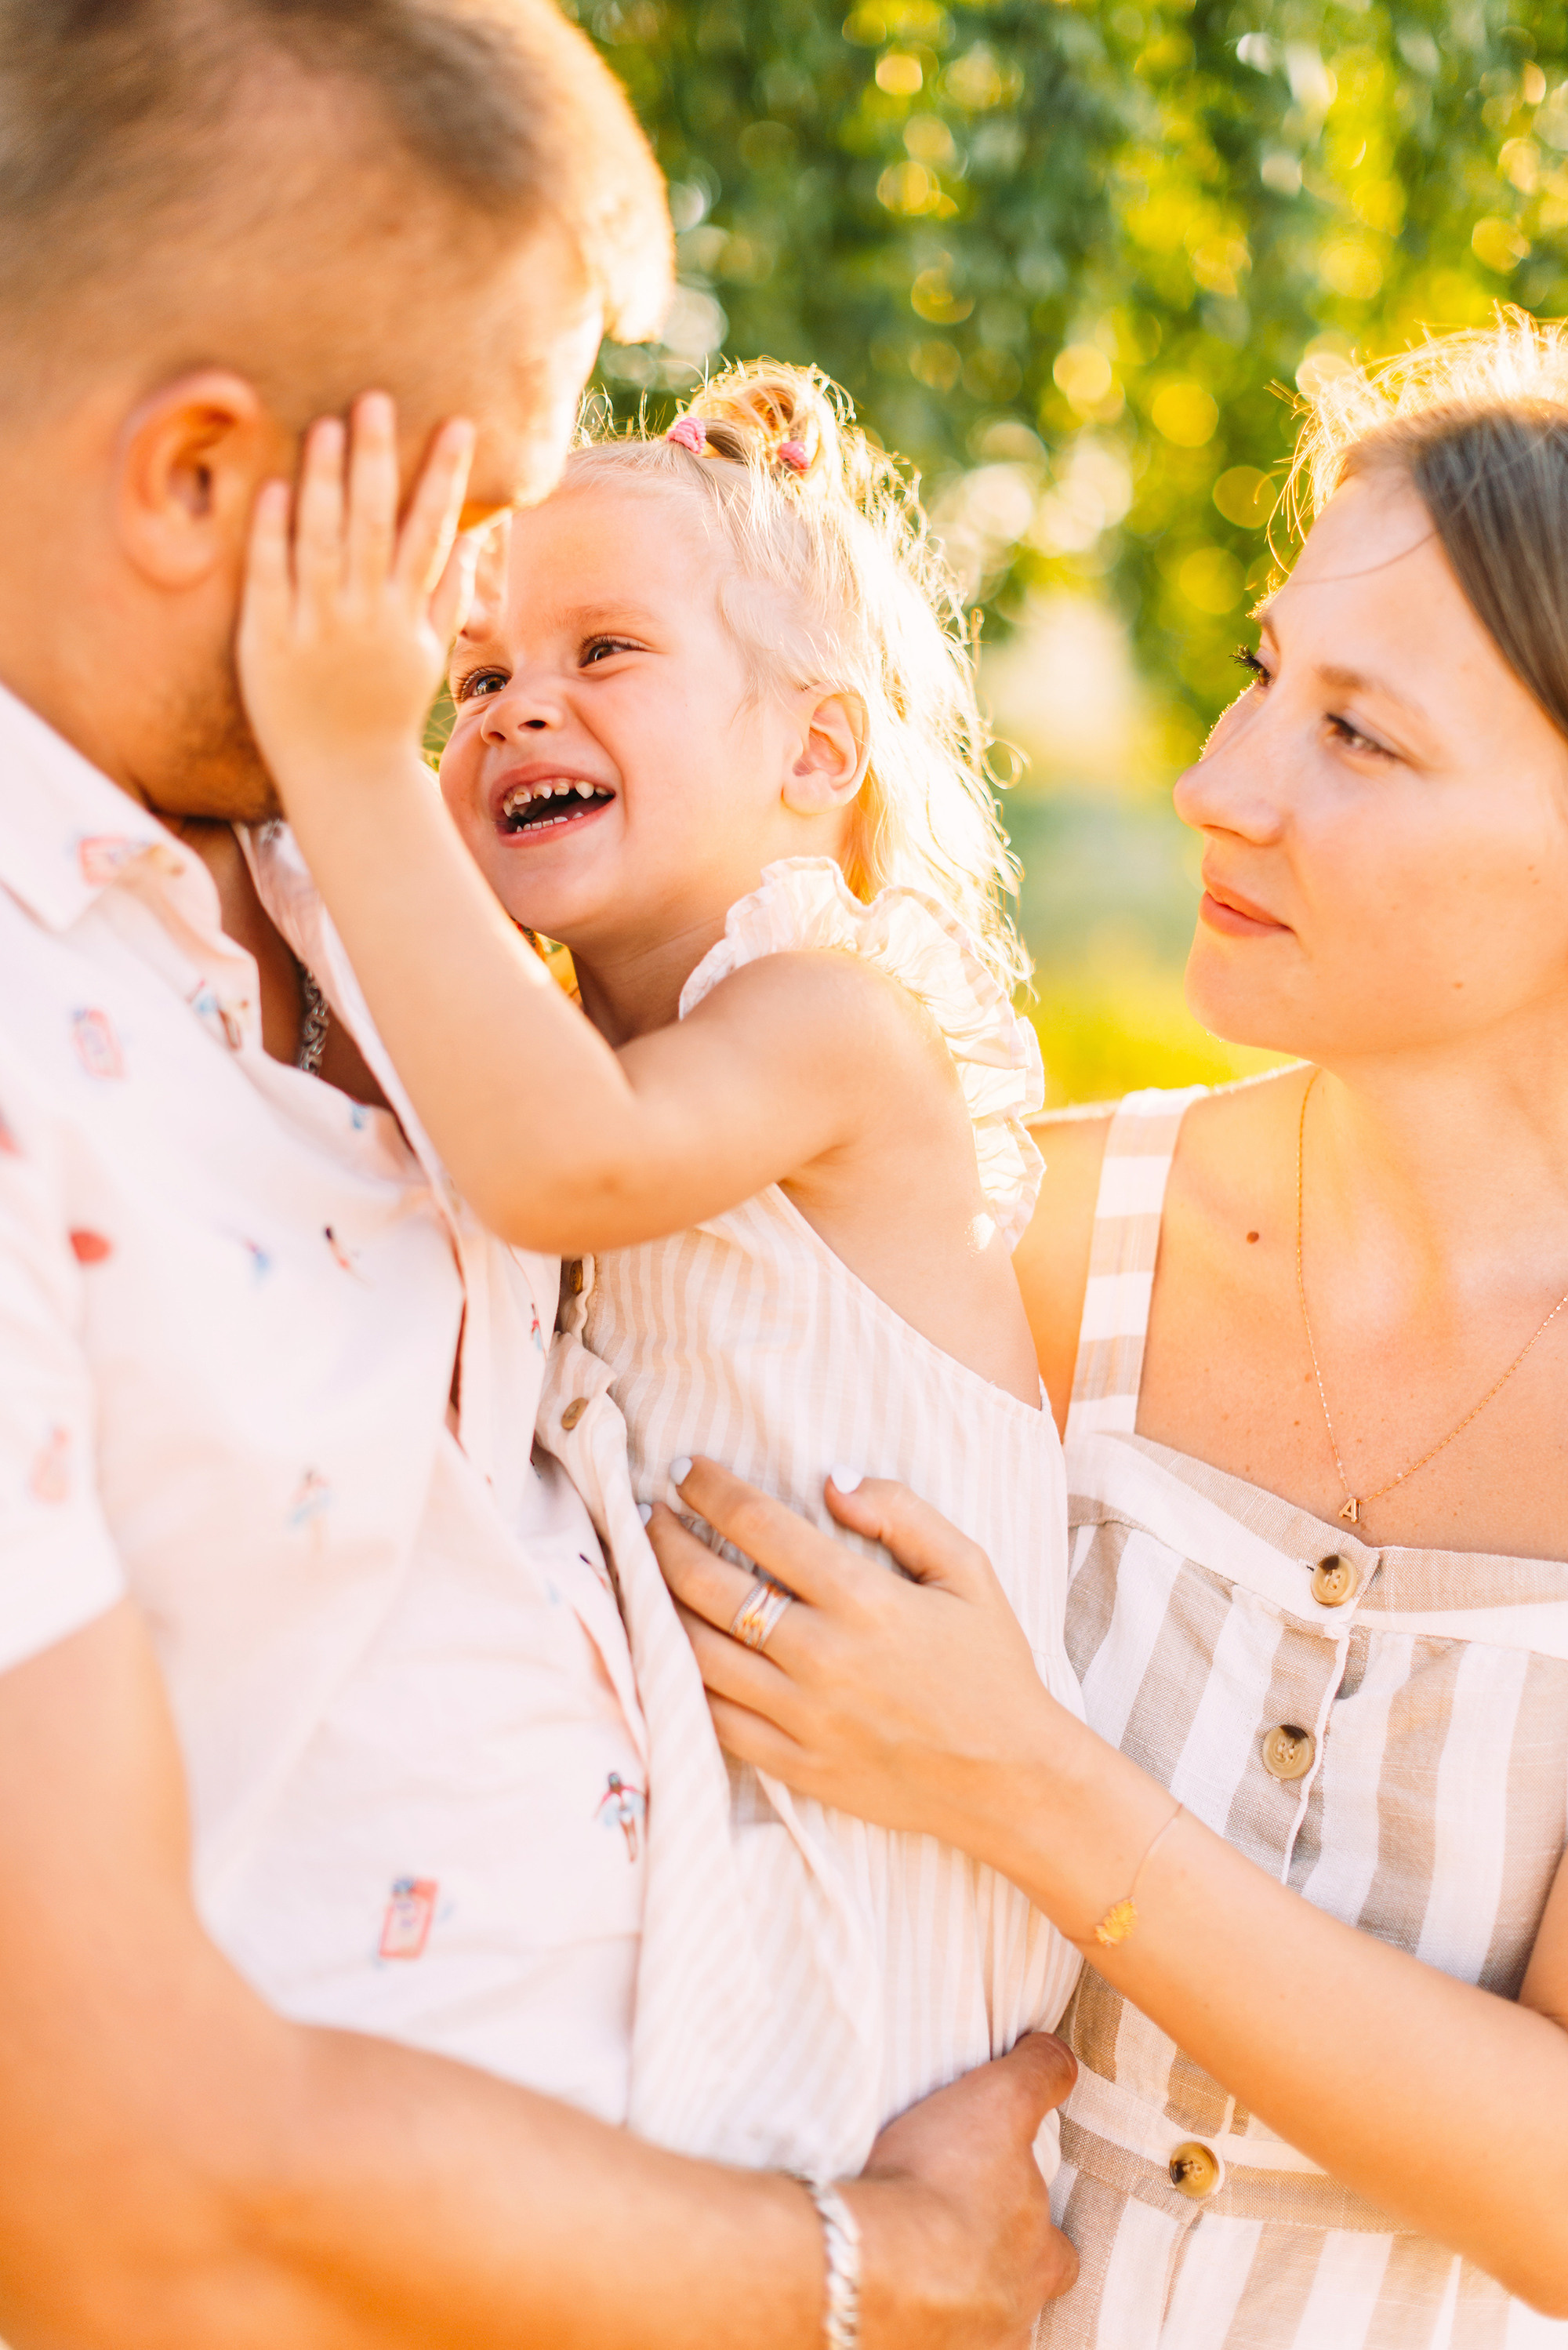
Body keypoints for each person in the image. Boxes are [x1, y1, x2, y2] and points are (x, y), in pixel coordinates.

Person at [0, 4, 1077, 2342]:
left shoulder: (340, 871)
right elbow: (105, 2162)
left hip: (836, 1959)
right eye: (466, 561)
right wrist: (869, 2269)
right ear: (196, 483)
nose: (482, 684)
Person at [649, 312, 1568, 2345]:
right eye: (1263, 676)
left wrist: (1031, 1781)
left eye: (1361, 735)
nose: (1216, 785)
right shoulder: (1034, 1231)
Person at [237, 358, 1083, 2177]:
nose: (513, 709)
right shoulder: (565, 1044)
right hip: (750, 1827)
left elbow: (559, 1164)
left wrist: (335, 742)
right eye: (473, 679)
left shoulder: (826, 1018)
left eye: (602, 653)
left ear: (813, 753)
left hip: (884, 1893)